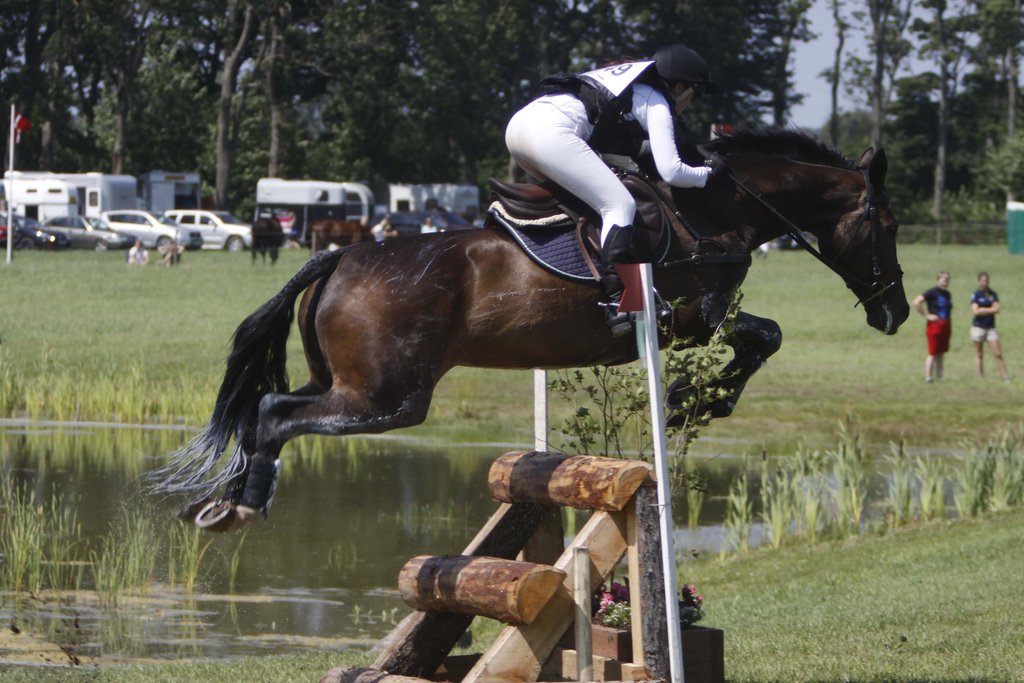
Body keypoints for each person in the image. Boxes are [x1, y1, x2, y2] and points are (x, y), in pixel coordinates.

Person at [505, 44, 720, 335]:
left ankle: (578, 277)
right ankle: (619, 299)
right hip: (551, 134)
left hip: (519, 128)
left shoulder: (628, 87)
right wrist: (708, 174)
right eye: (695, 95)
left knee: (595, 202)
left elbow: (625, 146)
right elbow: (672, 171)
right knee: (619, 205)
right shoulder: (656, 100)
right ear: (680, 87)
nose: (690, 105)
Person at [912, 271, 953, 383]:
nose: (945, 282)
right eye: (943, 279)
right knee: (933, 351)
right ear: (938, 280)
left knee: (941, 351)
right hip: (934, 326)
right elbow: (916, 302)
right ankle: (928, 377)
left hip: (946, 325)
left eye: (947, 280)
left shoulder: (947, 294)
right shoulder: (932, 292)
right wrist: (926, 315)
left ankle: (939, 377)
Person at [970, 272, 1010, 381]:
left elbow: (997, 309)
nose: (985, 283)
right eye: (983, 280)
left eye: (986, 281)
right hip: (978, 327)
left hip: (990, 328)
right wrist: (989, 309)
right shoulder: (976, 295)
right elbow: (975, 311)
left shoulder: (992, 294)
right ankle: (980, 377)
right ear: (979, 281)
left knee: (998, 353)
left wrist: (983, 309)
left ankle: (1005, 377)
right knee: (979, 353)